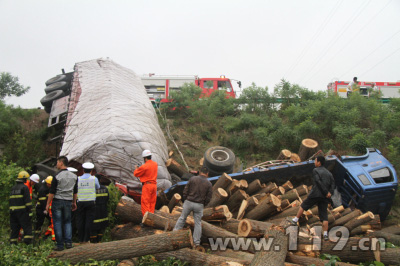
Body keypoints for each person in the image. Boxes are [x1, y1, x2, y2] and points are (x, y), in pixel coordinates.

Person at [290, 156, 335, 241]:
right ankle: (325, 234)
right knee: (324, 215)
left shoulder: (315, 170)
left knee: (304, 205)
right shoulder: (329, 173)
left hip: (316, 194)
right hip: (324, 197)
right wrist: (329, 193)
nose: (314, 162)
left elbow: (318, 182)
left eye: (315, 161)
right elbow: (333, 185)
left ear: (319, 162)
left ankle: (295, 220)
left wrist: (325, 192)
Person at [173, 166, 212, 248]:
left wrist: (186, 199)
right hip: (199, 205)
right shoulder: (209, 183)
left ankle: (174, 235)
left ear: (199, 171)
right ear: (207, 174)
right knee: (198, 223)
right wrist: (203, 204)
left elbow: (185, 190)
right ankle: (196, 243)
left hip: (189, 202)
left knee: (182, 218)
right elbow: (208, 197)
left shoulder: (193, 179)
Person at [46, 156, 78, 251]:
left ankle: (60, 245)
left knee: (57, 222)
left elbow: (52, 192)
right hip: (68, 202)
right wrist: (74, 202)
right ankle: (68, 243)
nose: (56, 164)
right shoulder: (74, 176)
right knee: (68, 222)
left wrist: (48, 204)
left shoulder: (57, 176)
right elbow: (75, 191)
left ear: (61, 163)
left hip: (57, 201)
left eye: (57, 162)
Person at [76, 162, 100, 244]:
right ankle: (86, 239)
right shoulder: (94, 179)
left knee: (80, 220)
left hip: (81, 202)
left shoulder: (78, 179)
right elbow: (98, 187)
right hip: (90, 202)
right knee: (89, 221)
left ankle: (80, 239)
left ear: (83, 170)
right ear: (91, 171)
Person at [9, 171, 33, 244]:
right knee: (27, 226)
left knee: (15, 228)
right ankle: (27, 243)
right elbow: (27, 201)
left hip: (13, 212)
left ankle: (13, 243)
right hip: (22, 212)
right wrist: (30, 210)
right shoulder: (24, 187)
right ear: (24, 179)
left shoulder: (13, 188)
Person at [133, 150, 158, 217]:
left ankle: (146, 219)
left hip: (147, 186)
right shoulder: (155, 164)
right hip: (154, 186)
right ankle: (151, 217)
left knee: (145, 202)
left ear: (145, 158)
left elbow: (136, 174)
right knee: (152, 203)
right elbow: (148, 172)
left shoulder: (144, 166)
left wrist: (136, 169)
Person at [90, 177, 109, 243]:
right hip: (103, 209)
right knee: (102, 226)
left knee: (94, 226)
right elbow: (107, 199)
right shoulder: (105, 188)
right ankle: (100, 240)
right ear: (100, 180)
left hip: (94, 209)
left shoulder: (92, 189)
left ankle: (94, 240)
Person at [35, 176, 54, 240]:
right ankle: (37, 235)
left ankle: (47, 235)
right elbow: (43, 202)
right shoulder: (42, 190)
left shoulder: (48, 188)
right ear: (48, 184)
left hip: (46, 208)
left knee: (51, 220)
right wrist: (46, 210)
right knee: (40, 222)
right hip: (40, 209)